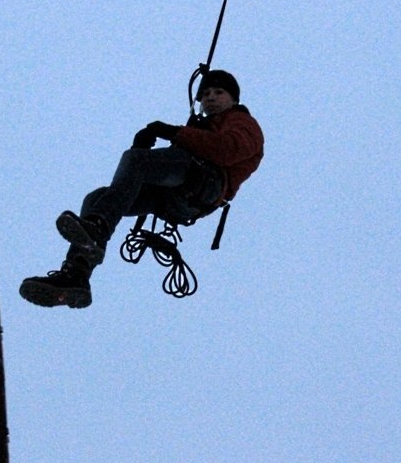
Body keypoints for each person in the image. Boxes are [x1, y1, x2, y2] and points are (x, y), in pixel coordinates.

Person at [19, 69, 264, 308]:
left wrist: (173, 133)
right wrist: (152, 145)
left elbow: (226, 149)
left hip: (204, 185)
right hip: (174, 196)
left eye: (219, 92)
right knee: (96, 198)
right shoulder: (205, 126)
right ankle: (77, 273)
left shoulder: (243, 122)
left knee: (136, 161)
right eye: (206, 93)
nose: (210, 97)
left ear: (234, 98)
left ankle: (98, 229)